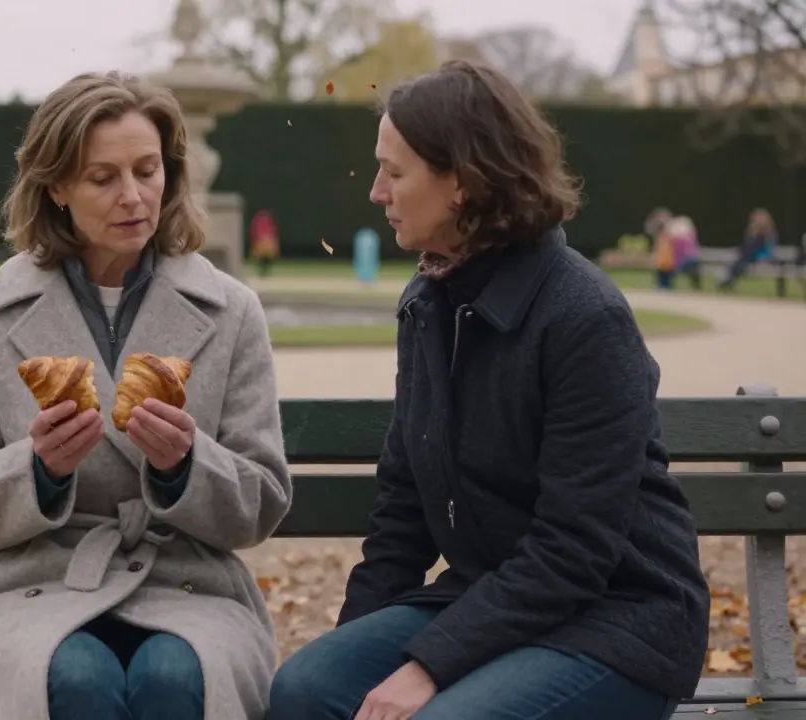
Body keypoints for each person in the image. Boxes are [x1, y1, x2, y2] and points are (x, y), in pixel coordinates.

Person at [269, 59, 709, 720]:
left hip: (619, 618)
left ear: (462, 183)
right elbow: (403, 510)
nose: (377, 193)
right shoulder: (429, 299)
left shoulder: (586, 318)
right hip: (491, 597)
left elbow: (575, 550)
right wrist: (353, 648)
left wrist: (428, 665)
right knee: (306, 688)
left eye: (393, 173)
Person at [0, 70, 292, 720]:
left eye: (148, 171)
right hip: (31, 590)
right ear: (56, 186)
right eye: (102, 178)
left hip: (192, 587)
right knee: (77, 679)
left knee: (174, 676)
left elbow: (261, 501)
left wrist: (185, 468)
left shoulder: (232, 310)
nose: (133, 196)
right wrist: (38, 470)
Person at [720, 207, 778, 291]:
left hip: (761, 256)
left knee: (740, 262)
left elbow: (768, 249)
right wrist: (753, 231)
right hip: (751, 256)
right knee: (738, 261)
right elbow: (747, 245)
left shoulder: (769, 234)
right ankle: (728, 281)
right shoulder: (754, 232)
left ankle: (728, 281)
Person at [248, 209, 280, 277]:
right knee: (263, 257)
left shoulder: (262, 222)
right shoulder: (264, 222)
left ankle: (265, 270)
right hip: (263, 241)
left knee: (265, 257)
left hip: (263, 241)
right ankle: (264, 270)